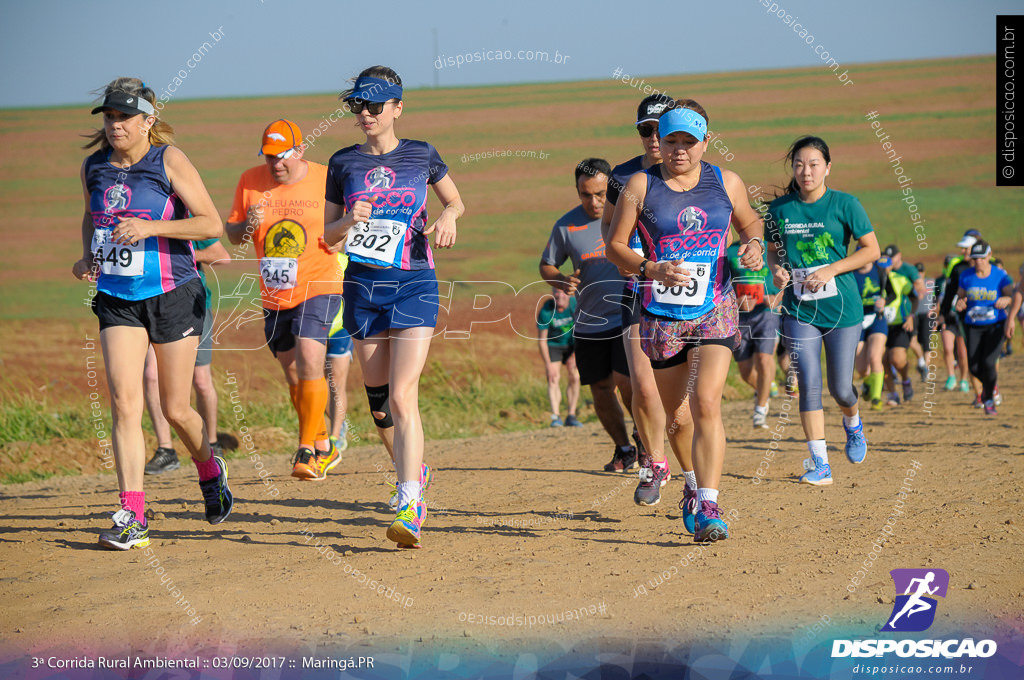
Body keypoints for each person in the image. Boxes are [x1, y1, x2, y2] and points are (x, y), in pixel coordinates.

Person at [72, 77, 232, 549]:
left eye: (124, 117)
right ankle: (133, 515)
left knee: (175, 407)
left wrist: (151, 228)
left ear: (148, 121)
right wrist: (88, 256)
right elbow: (90, 216)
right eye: (109, 116)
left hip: (173, 293)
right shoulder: (93, 167)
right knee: (124, 403)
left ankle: (209, 468)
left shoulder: (170, 160)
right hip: (118, 297)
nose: (115, 124)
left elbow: (210, 223)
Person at [607, 100, 765, 542]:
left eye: (688, 142)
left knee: (707, 402)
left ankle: (711, 504)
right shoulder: (640, 184)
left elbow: (750, 220)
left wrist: (753, 243)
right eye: (671, 141)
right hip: (662, 313)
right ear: (661, 140)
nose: (679, 150)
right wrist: (649, 268)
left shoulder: (725, 181)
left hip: (715, 307)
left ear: (705, 142)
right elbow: (615, 246)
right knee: (676, 416)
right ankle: (692, 488)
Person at [323, 65, 463, 549]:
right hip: (362, 289)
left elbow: (456, 203)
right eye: (358, 105)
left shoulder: (421, 155)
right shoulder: (342, 163)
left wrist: (446, 216)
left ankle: (410, 502)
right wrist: (347, 219)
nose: (365, 113)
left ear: (398, 108)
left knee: (404, 396)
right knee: (380, 403)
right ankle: (413, 469)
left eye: (375, 106)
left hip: (414, 284)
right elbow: (327, 236)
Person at [224, 119, 345, 481]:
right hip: (275, 294)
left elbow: (347, 222)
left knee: (311, 356)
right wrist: (247, 221)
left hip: (320, 282)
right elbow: (233, 236)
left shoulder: (326, 178)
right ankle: (323, 441)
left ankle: (306, 449)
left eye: (283, 156)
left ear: (301, 149)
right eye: (269, 157)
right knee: (293, 372)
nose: (276, 163)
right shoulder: (250, 181)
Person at [765, 135, 880, 487]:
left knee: (841, 389)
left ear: (828, 167)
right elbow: (772, 250)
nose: (806, 171)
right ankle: (820, 464)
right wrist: (776, 269)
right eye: (799, 164)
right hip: (799, 309)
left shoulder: (846, 204)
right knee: (809, 384)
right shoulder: (779, 210)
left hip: (843, 308)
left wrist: (831, 269)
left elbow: (871, 250)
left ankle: (853, 424)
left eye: (814, 164)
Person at [600, 94, 696, 510]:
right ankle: (655, 463)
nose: (655, 138)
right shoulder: (623, 177)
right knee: (642, 386)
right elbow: (608, 228)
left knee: (682, 403)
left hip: (690, 292)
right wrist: (628, 258)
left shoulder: (694, 173)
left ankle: (695, 477)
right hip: (639, 288)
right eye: (646, 130)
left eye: (662, 129)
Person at [540, 158, 637, 473]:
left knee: (628, 382)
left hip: (629, 316)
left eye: (600, 193)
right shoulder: (566, 226)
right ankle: (624, 448)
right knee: (600, 388)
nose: (594, 202)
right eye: (586, 194)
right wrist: (561, 282)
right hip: (590, 321)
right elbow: (547, 264)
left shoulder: (630, 213)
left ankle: (649, 442)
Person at [143, 237, 231, 473]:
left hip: (190, 304)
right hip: (149, 303)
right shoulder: (138, 215)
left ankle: (211, 444)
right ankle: (166, 450)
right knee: (151, 376)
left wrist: (176, 254)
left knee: (201, 380)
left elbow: (221, 254)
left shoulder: (188, 213)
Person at [727, 241, 783, 429]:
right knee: (745, 371)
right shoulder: (729, 252)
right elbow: (720, 284)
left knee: (764, 358)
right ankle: (766, 389)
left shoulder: (773, 249)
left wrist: (777, 297)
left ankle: (760, 409)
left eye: (759, 218)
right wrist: (737, 300)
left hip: (767, 313)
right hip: (740, 317)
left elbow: (789, 277)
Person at [955, 240, 1014, 416]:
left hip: (995, 325)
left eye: (982, 258)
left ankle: (987, 397)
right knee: (973, 367)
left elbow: (1012, 295)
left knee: (988, 362)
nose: (978, 261)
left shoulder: (1000, 275)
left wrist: (1006, 300)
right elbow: (961, 297)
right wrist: (960, 303)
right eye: (975, 258)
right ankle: (991, 385)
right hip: (973, 326)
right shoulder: (966, 276)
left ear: (989, 256)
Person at [939, 230, 981, 392]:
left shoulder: (985, 266)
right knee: (948, 348)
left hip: (970, 316)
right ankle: (951, 376)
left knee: (963, 352)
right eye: (962, 248)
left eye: (966, 248)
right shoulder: (957, 268)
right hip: (952, 314)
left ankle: (964, 379)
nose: (963, 251)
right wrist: (942, 313)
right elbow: (949, 292)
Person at [536, 287, 582, 428]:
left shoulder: (575, 305)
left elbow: (582, 331)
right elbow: (542, 341)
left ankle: (571, 415)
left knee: (575, 376)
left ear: (568, 293)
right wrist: (548, 365)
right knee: (553, 377)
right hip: (553, 345)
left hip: (573, 344)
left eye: (562, 292)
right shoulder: (546, 310)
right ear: (552, 293)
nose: (559, 295)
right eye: (556, 291)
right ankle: (556, 417)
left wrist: (575, 355)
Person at [881, 245, 922, 402]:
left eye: (887, 265)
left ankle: (905, 380)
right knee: (882, 360)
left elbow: (914, 296)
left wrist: (911, 315)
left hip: (900, 324)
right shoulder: (873, 280)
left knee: (897, 359)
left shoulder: (900, 280)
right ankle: (892, 394)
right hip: (879, 325)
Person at [852, 253, 890, 411]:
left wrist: (885, 301)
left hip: (877, 319)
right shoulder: (851, 273)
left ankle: (876, 398)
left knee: (875, 357)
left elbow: (892, 292)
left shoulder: (880, 271)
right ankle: (868, 382)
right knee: (861, 368)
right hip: (858, 321)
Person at [325, 304, 353, 452]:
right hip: (313, 326)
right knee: (317, 385)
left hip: (340, 327)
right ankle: (339, 422)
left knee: (336, 382)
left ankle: (334, 438)